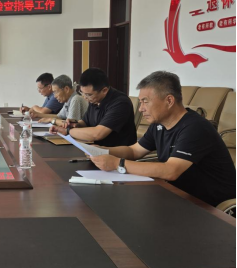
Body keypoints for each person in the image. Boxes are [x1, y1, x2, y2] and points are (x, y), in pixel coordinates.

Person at [90, 71, 236, 208]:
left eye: (145, 101)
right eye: (140, 102)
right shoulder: (159, 124)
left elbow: (171, 171)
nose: (141, 109)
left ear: (169, 100)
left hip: (210, 206)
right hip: (178, 196)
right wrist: (102, 151)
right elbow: (134, 151)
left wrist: (118, 163)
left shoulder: (195, 127)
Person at [49, 68, 137, 147]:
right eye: (82, 92)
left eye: (88, 94)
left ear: (104, 90)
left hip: (116, 153)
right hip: (95, 147)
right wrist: (75, 124)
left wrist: (68, 131)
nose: (84, 97)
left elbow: (98, 134)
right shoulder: (95, 99)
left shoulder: (120, 102)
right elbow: (85, 122)